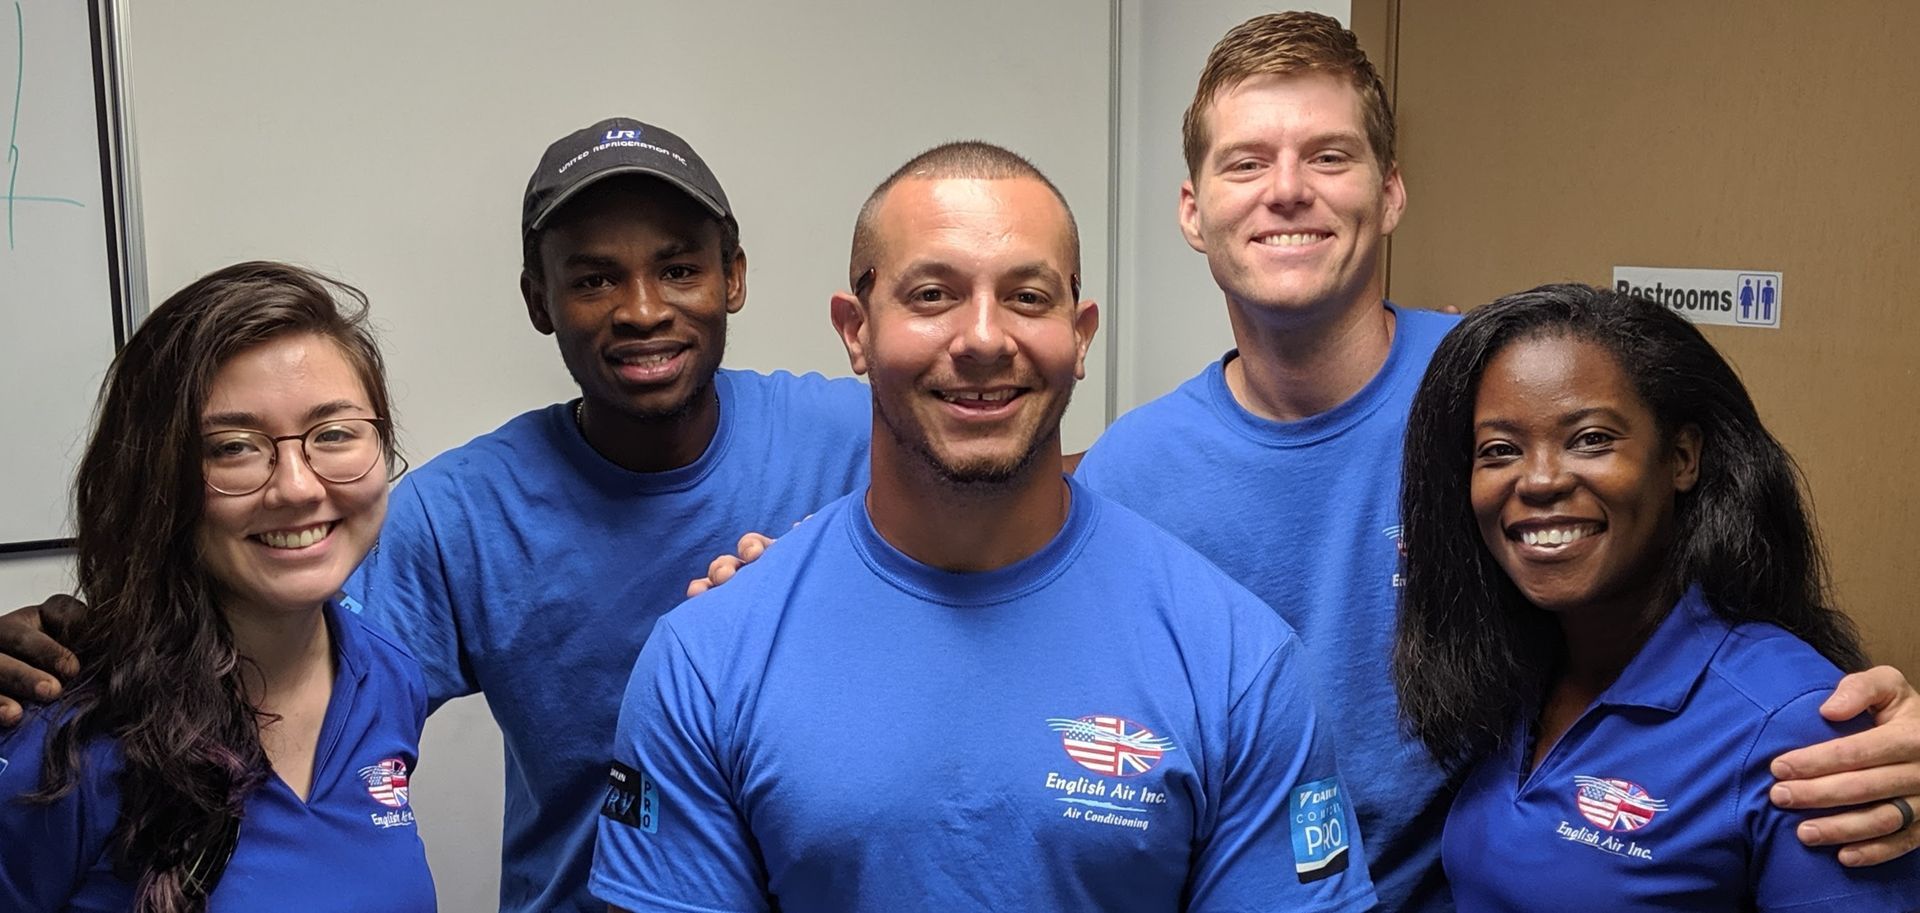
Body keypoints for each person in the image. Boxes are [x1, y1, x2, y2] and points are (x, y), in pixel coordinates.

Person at [1068, 11, 1920, 910]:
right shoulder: (1132, 470)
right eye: (1246, 162)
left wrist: (1873, 723)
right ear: (1193, 211)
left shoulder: (1509, 392)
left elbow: (1705, 583)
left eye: (1329, 156)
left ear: (1390, 192)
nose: (1288, 191)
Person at [0, 118, 872, 913]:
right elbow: (245, 616)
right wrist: (75, 651)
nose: (642, 307)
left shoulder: (865, 441)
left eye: (679, 267)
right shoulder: (458, 516)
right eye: (595, 277)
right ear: (539, 300)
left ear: (735, 277)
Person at [588, 142, 1377, 913]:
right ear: (856, 330)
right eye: (932, 295)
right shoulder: (708, 657)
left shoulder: (1237, 661)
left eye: (1028, 296)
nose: (984, 338)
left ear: (1081, 335)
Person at [1394, 283, 1920, 910]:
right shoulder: (1518, 667)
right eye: (1500, 451)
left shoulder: (1797, 726)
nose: (1537, 481)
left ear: (1681, 458)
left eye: (1590, 438)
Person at [0, 262, 433, 911]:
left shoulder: (389, 676)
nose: (297, 486)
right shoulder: (70, 744)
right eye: (233, 447)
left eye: (335, 434)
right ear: (157, 480)